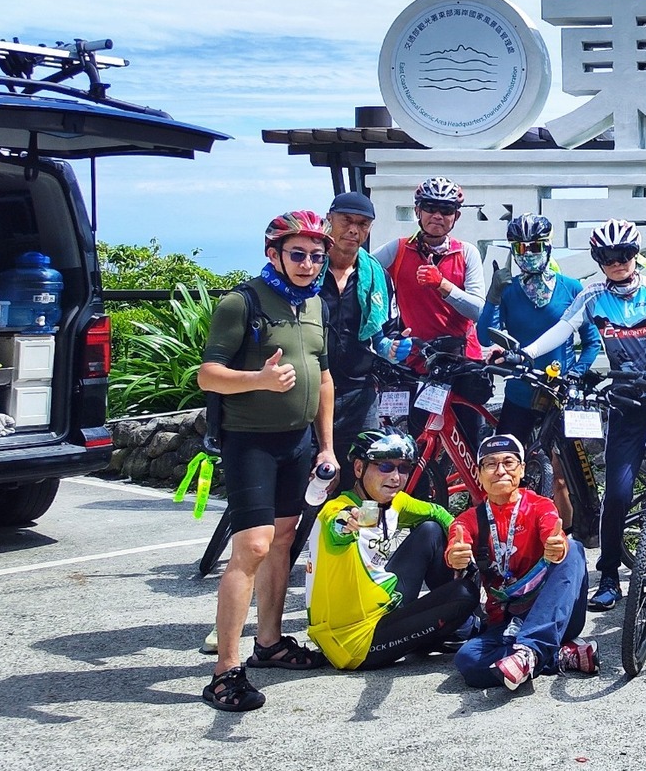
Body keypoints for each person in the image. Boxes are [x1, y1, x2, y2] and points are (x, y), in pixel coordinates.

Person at [195, 210, 338, 712]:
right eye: (297, 254)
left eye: (316, 256)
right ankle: (224, 671)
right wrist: (256, 380)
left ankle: (270, 643)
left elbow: (322, 376)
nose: (307, 264)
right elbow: (208, 375)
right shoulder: (242, 302)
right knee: (252, 547)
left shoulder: (314, 303)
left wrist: (327, 445)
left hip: (297, 442)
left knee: (283, 542)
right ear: (272, 253)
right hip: (250, 441)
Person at [514, 219, 646, 611]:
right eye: (608, 257)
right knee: (619, 492)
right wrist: (526, 353)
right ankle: (609, 575)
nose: (617, 262)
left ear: (635, 255)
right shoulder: (593, 295)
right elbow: (563, 328)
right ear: (598, 259)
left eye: (625, 254)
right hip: (627, 402)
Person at [304, 430, 478, 670]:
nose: (396, 477)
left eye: (404, 468)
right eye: (385, 466)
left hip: (385, 607)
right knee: (464, 594)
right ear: (358, 468)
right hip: (356, 642)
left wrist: (462, 542)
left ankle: (449, 629)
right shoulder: (337, 511)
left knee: (431, 530)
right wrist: (347, 522)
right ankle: (465, 628)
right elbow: (338, 526)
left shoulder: (393, 502)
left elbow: (436, 512)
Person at [445, 433, 598, 690]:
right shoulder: (468, 519)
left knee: (573, 548)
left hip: (557, 613)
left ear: (522, 469)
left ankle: (530, 650)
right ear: (480, 474)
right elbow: (455, 546)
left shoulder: (541, 506)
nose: (500, 470)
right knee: (468, 661)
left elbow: (555, 535)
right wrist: (455, 557)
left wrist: (556, 547)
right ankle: (557, 656)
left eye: (508, 462)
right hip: (507, 620)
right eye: (491, 464)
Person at [477, 214, 597, 518]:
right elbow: (483, 335)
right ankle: (504, 534)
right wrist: (493, 298)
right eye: (521, 248)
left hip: (560, 393)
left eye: (535, 246)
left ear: (548, 246)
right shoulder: (509, 289)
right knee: (503, 463)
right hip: (520, 392)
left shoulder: (571, 288)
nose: (528, 253)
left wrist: (578, 371)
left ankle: (568, 539)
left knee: (561, 477)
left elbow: (591, 341)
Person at [376, 176, 488, 364]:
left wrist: (442, 284)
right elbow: (361, 269)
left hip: (461, 357)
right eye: (429, 207)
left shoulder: (466, 253)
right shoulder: (399, 249)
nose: (437, 215)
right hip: (416, 356)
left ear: (456, 216)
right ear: (417, 211)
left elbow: (477, 311)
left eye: (446, 210)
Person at [320, 191, 396, 452]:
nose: (353, 230)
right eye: (346, 220)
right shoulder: (306, 271)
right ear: (329, 219)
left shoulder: (378, 277)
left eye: (362, 224)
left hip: (360, 392)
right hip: (310, 390)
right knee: (310, 476)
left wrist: (395, 346)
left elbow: (387, 331)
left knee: (363, 474)